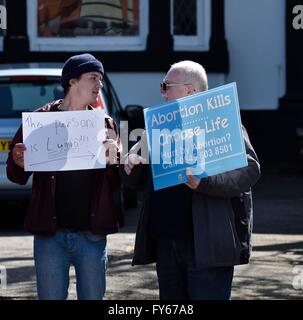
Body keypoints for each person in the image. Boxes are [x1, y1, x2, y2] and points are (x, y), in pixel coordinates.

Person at [121, 60, 261, 300]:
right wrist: (132, 164)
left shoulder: (223, 123)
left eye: (166, 86)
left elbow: (249, 170)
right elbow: (137, 181)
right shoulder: (160, 125)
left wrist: (204, 182)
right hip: (166, 242)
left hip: (206, 245)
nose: (162, 92)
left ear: (190, 90)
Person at [6, 53, 121, 300]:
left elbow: (118, 182)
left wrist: (115, 160)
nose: (98, 84)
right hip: (50, 236)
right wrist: (18, 162)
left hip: (91, 236)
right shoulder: (40, 120)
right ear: (72, 81)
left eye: (100, 78)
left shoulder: (104, 123)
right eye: (93, 78)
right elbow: (15, 175)